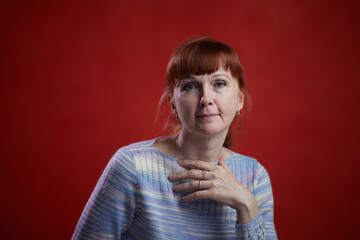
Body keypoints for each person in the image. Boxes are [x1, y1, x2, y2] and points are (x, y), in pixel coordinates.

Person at [72, 37, 277, 239]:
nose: (206, 98)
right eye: (190, 86)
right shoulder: (132, 166)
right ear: (173, 103)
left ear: (240, 99)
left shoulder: (254, 177)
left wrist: (247, 205)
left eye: (219, 83)